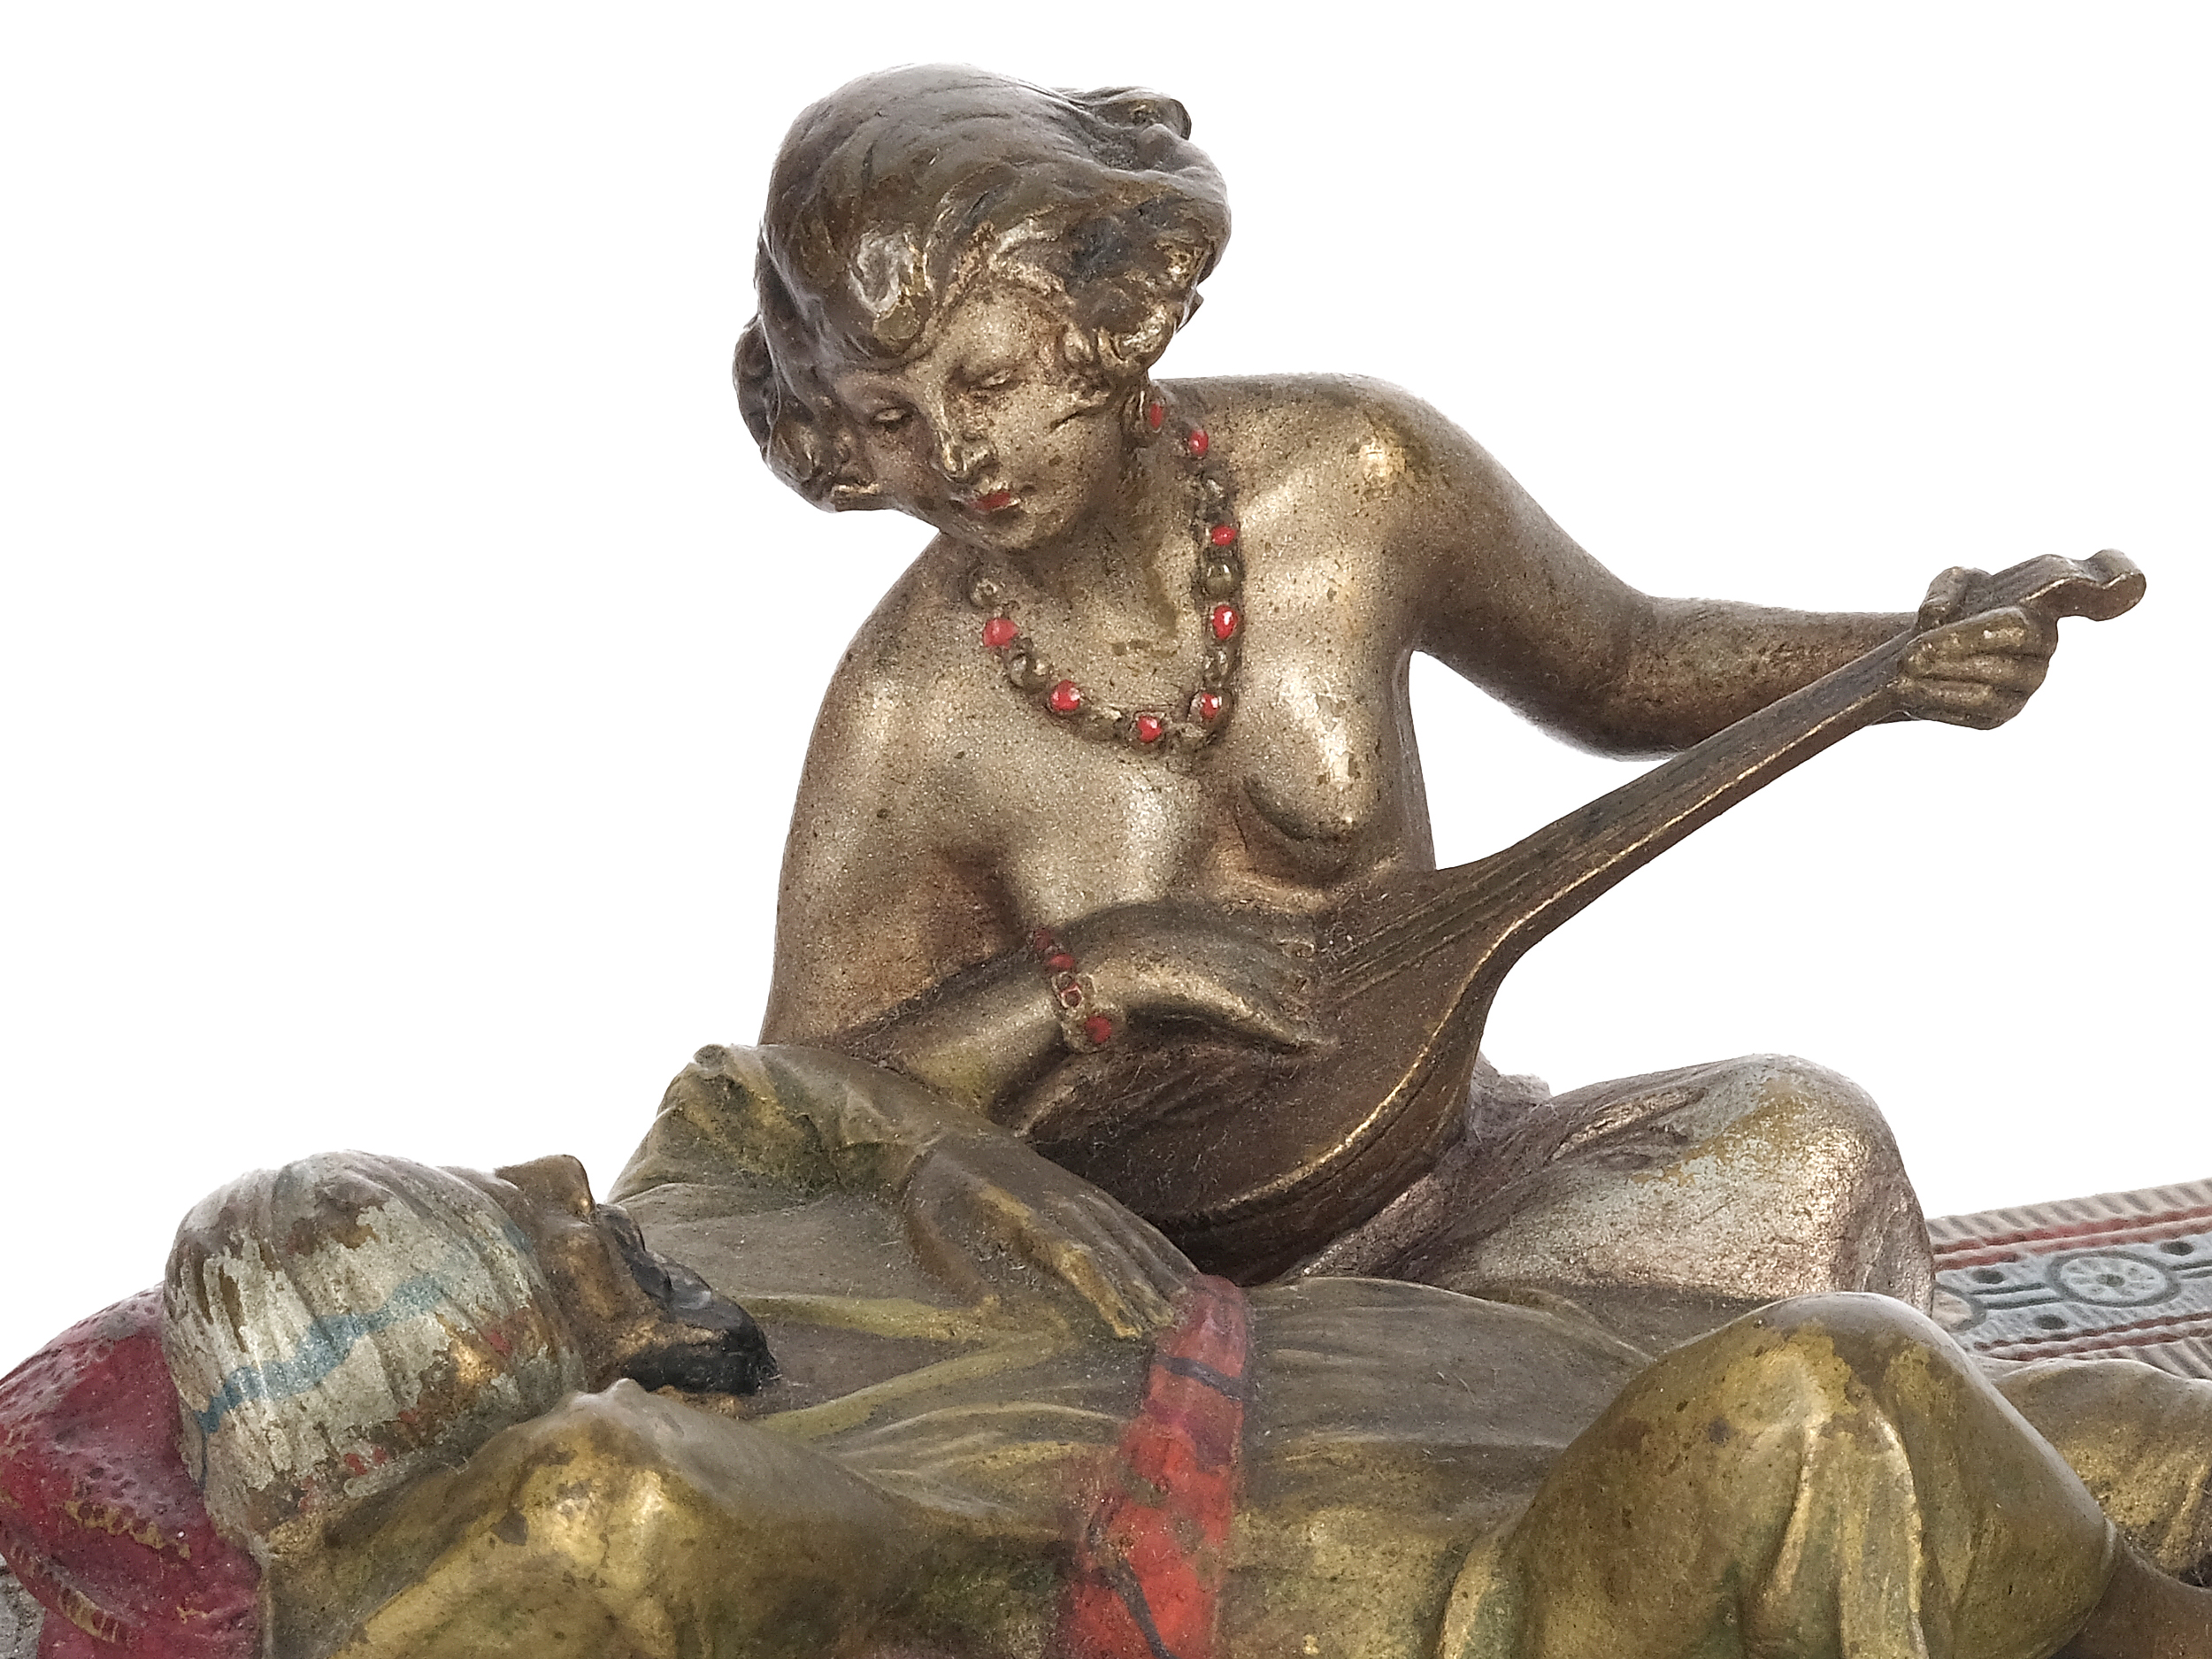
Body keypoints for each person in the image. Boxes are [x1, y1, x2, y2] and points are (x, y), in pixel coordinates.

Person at [741, 65, 2064, 1325]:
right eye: (889, 418)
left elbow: (1621, 663)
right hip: (1110, 1285)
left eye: (987, 381)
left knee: (1809, 1144)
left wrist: (1903, 653)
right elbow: (780, 1122)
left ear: (1106, 317)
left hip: (1445, 1176)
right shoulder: (908, 710)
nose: (958, 455)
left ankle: (1397, 1394)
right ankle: (1405, 1400)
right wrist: (1099, 973)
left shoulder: (1356, 478)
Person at [135, 1045, 2212, 1655]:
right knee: (1825, 1406)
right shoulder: (608, 1503)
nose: (550, 1176)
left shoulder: (695, 1231)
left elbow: (741, 1084)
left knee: (2126, 1419)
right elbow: (419, 1580)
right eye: (500, 1227)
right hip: (1460, 1596)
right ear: (470, 1369)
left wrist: (944, 1153)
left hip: (1490, 1392)